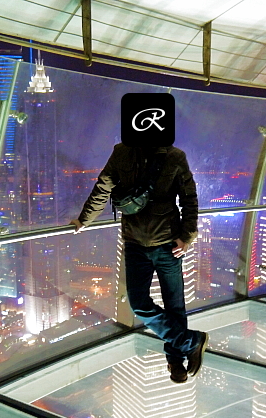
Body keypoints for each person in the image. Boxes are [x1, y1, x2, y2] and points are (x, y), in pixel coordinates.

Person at [70, 143, 208, 383]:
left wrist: (187, 236)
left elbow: (189, 198)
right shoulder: (122, 152)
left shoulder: (175, 156)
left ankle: (176, 359)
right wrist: (85, 219)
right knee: (139, 304)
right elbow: (103, 187)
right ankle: (190, 342)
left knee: (175, 306)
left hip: (168, 243)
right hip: (135, 243)